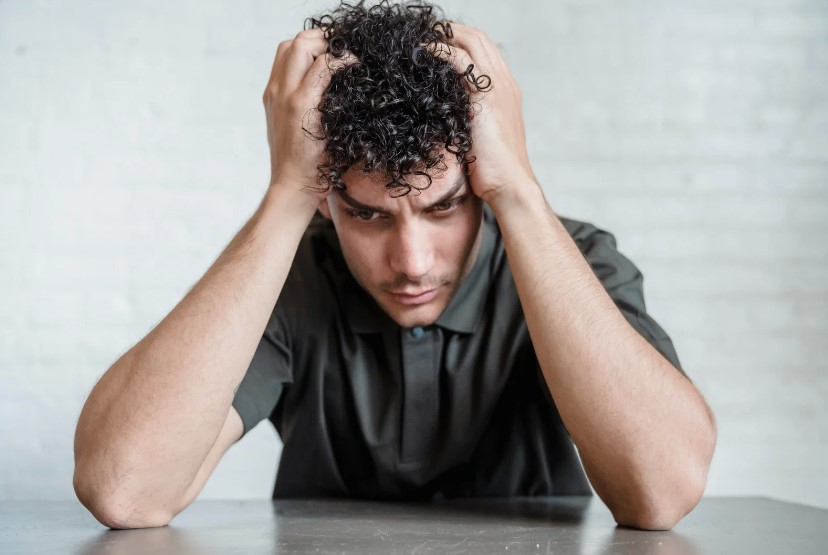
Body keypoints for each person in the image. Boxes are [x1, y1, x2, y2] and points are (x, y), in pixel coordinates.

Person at [73, 0, 717, 532]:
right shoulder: (290, 277)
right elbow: (125, 491)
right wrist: (285, 196)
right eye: (369, 215)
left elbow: (662, 494)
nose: (411, 263)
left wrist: (519, 190)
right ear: (327, 201)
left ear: (483, 182)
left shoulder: (579, 262)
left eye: (446, 207)